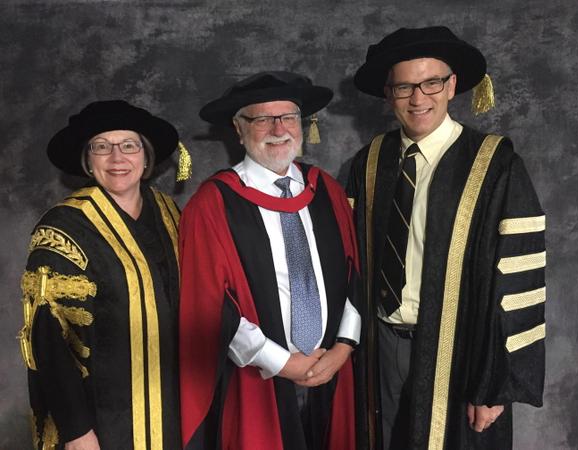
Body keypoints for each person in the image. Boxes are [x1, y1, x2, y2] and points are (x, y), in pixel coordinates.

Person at [347, 26, 546, 450]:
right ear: (389, 93)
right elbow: (350, 262)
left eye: (431, 82)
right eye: (405, 87)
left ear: (451, 85)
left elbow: (518, 280)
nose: (419, 99)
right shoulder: (370, 162)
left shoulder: (494, 165)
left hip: (459, 350)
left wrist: (493, 383)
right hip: (380, 346)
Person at [179, 71, 361, 450]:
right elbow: (209, 306)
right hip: (257, 378)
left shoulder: (326, 189)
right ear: (239, 128)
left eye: (288, 117)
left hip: (333, 370)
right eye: (262, 118)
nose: (278, 129)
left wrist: (344, 346)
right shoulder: (213, 204)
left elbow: (353, 273)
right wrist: (281, 362)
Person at [18, 100, 183, 449]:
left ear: (146, 156)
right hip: (104, 416)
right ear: (88, 160)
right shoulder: (63, 228)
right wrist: (77, 431)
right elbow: (47, 339)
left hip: (176, 404)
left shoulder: (170, 214)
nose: (117, 158)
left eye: (128, 146)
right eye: (102, 147)